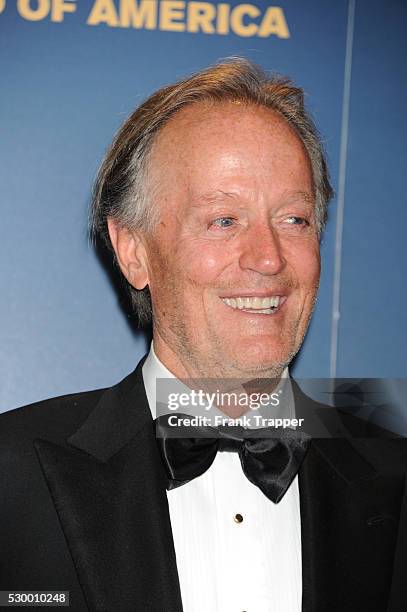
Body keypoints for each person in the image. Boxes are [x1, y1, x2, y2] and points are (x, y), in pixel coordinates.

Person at [0, 59, 406, 612]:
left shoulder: (394, 474)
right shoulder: (12, 477)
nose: (268, 258)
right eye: (224, 220)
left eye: (294, 220)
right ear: (133, 250)